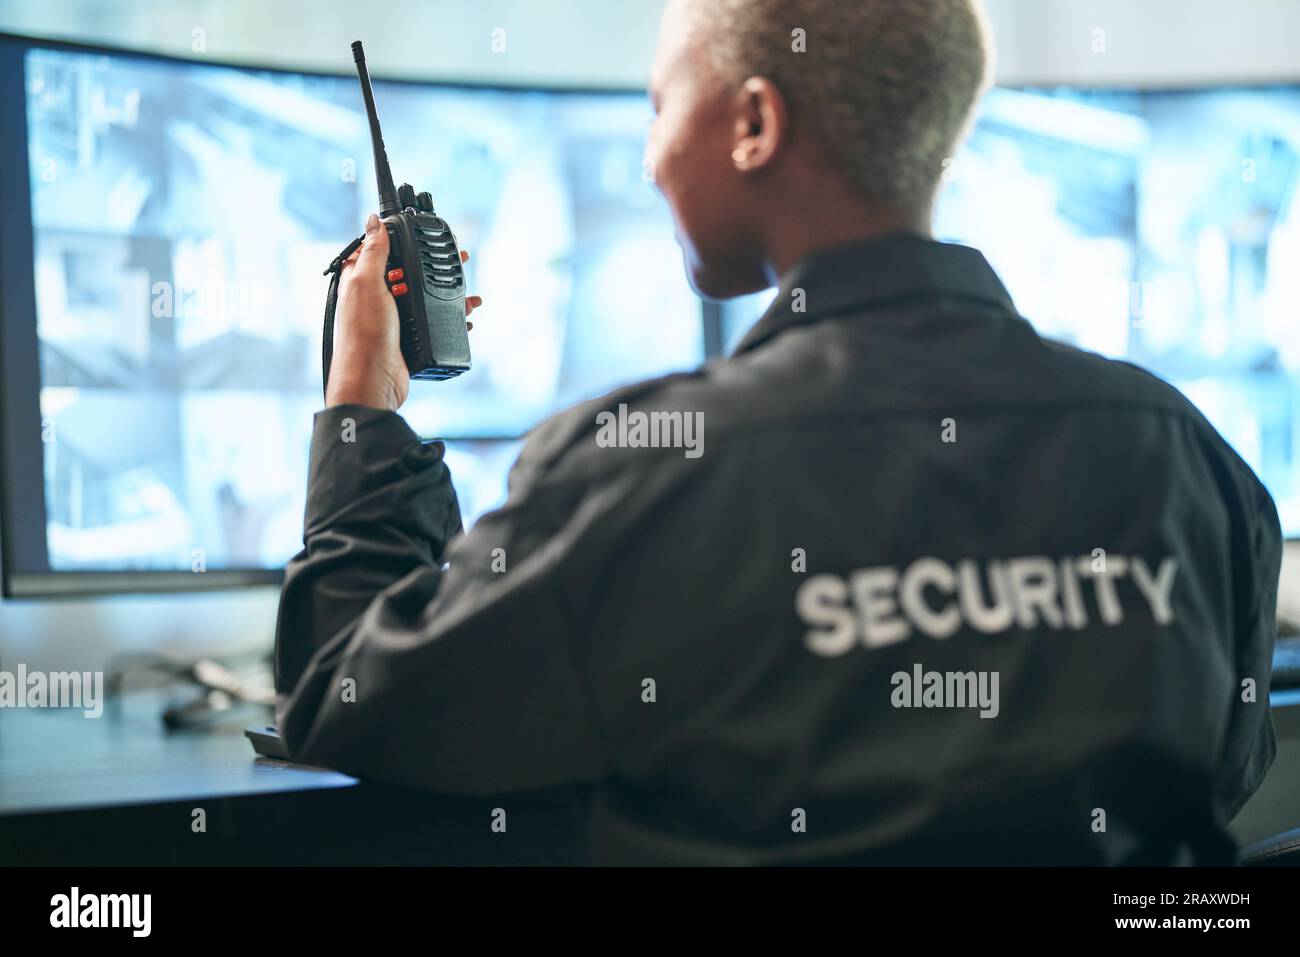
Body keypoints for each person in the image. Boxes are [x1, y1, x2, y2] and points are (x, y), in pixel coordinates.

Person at [274, 0, 1282, 864]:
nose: (650, 156)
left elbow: (351, 700)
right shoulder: (1188, 455)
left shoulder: (643, 464)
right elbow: (1223, 772)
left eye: (661, 106)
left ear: (753, 121)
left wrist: (364, 408)